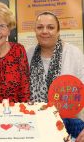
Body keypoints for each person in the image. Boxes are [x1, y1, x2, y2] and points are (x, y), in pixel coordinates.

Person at [27, 11, 84, 141]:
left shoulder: (74, 54)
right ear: (35, 31)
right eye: (40, 27)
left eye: (51, 27)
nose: (44, 31)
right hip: (37, 127)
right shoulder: (28, 55)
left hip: (70, 128)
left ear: (58, 31)